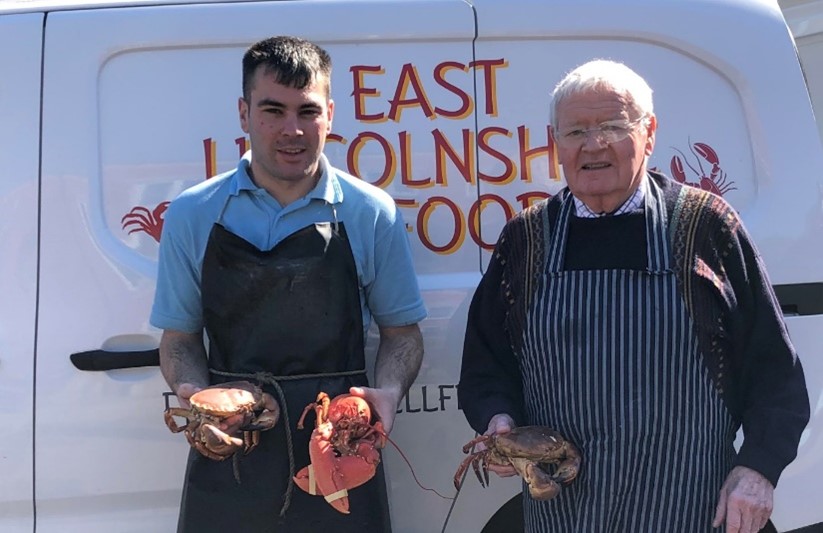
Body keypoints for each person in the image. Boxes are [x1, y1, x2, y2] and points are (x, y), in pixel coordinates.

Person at [457, 59, 809, 533]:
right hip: (565, 515)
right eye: (576, 131)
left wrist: (758, 468)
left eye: (613, 126)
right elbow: (485, 367)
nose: (593, 144)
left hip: (690, 509)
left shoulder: (705, 227)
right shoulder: (526, 240)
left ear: (650, 133)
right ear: (555, 142)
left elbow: (775, 373)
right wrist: (499, 420)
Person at [151, 35, 426, 532]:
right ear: (243, 113)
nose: (292, 130)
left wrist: (387, 393)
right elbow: (179, 340)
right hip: (231, 453)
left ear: (330, 116)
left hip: (341, 450)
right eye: (272, 111)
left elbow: (402, 335)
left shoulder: (371, 213)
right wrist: (193, 393)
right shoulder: (193, 213)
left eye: (308, 111)